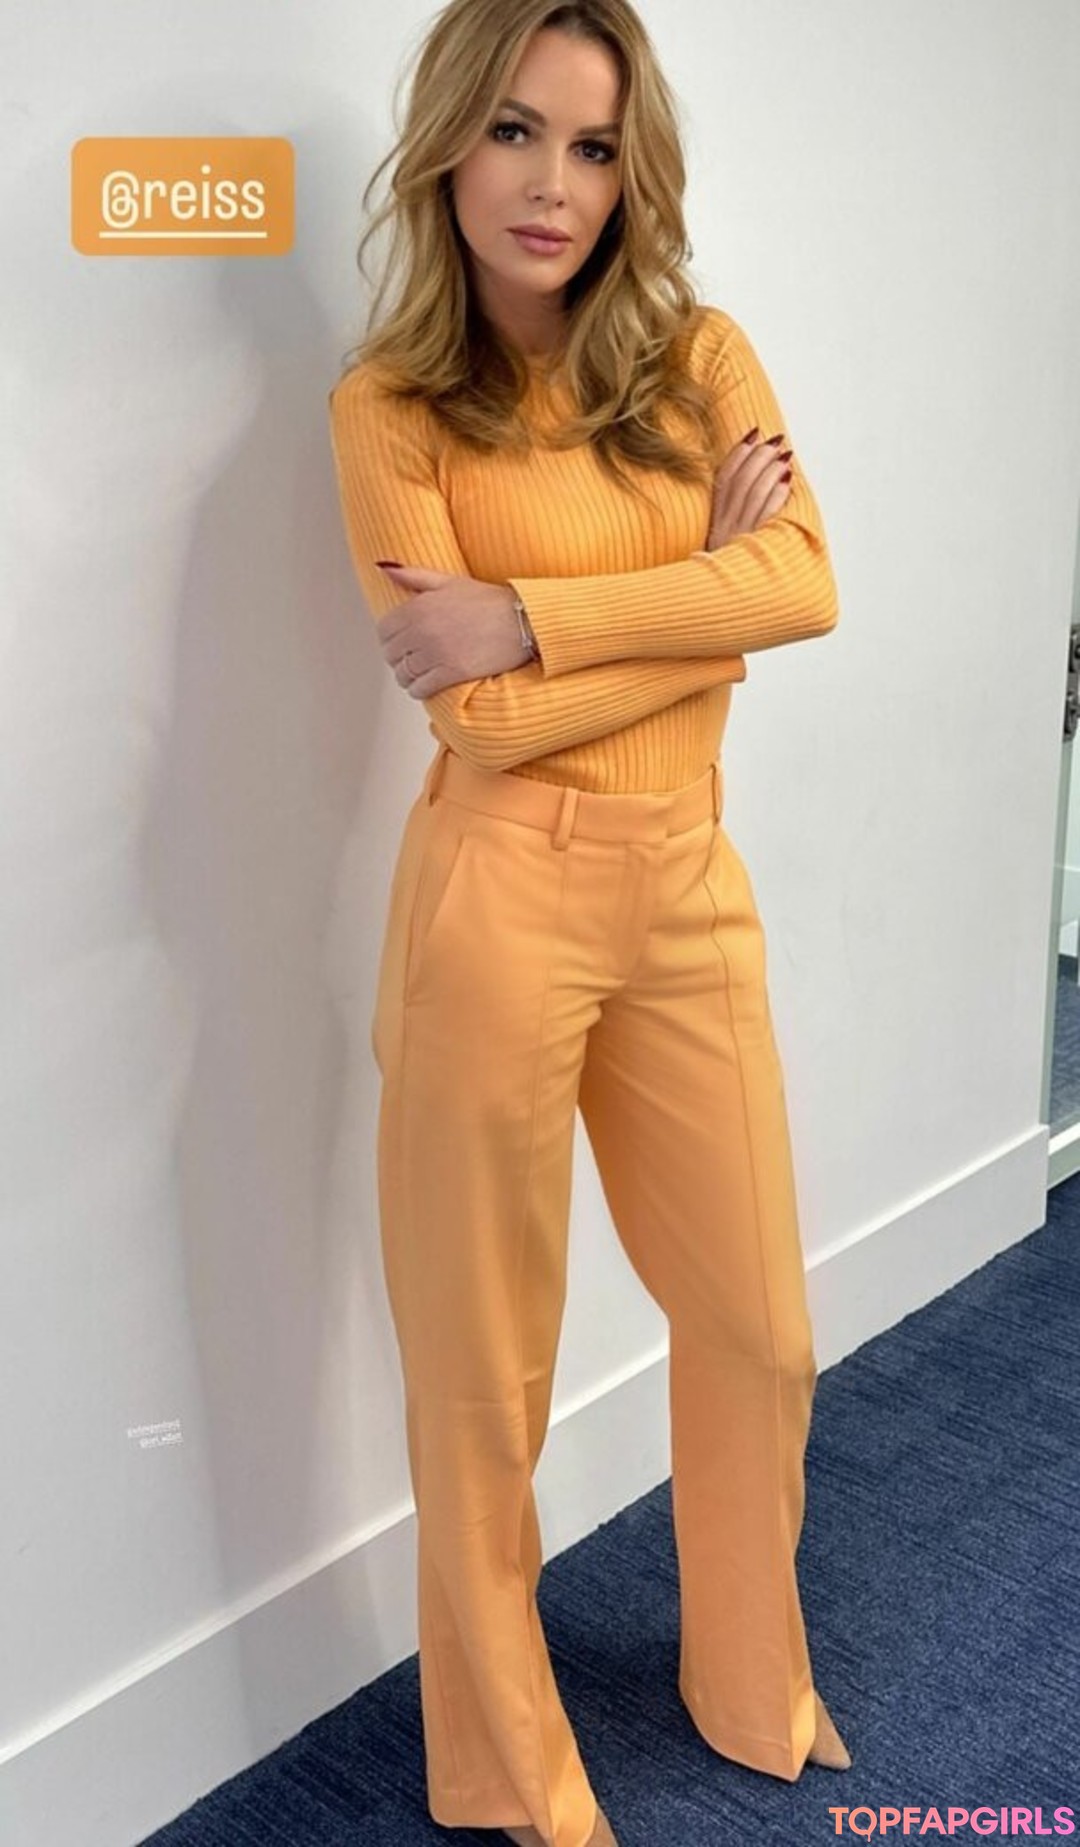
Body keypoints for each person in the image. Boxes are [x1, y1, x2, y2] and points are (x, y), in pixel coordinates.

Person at [327, 3, 849, 1842]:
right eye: (516, 132)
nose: (554, 183)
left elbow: (808, 582)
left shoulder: (700, 355)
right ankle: (505, 1767)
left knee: (761, 1326)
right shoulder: (387, 411)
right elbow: (475, 721)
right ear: (446, 145)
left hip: (690, 882)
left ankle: (750, 1681)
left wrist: (534, 612)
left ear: (637, 171)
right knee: (486, 1372)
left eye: (596, 145)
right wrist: (704, 596)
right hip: (496, 894)